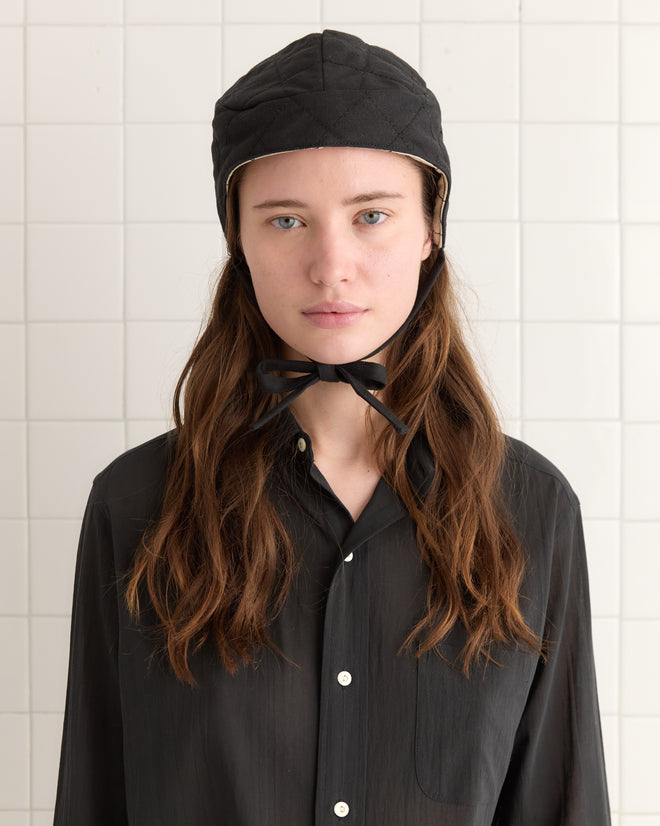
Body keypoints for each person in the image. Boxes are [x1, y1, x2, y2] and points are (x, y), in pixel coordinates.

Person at [53, 30, 610, 825]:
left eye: (372, 215)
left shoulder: (531, 507)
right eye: (286, 221)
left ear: (431, 229)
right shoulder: (136, 503)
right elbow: (93, 798)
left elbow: (564, 804)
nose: (331, 264)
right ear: (237, 239)